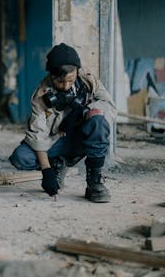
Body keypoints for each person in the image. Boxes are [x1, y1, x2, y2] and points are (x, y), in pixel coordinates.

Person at [9, 43, 116, 203]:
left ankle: (95, 182)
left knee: (98, 122)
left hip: (83, 138)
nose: (65, 86)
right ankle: (57, 163)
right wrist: (47, 172)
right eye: (60, 81)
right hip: (57, 140)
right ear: (51, 76)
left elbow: (109, 106)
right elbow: (37, 136)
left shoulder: (88, 81)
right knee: (21, 157)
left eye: (70, 80)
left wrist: (89, 110)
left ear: (77, 72)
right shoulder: (41, 95)